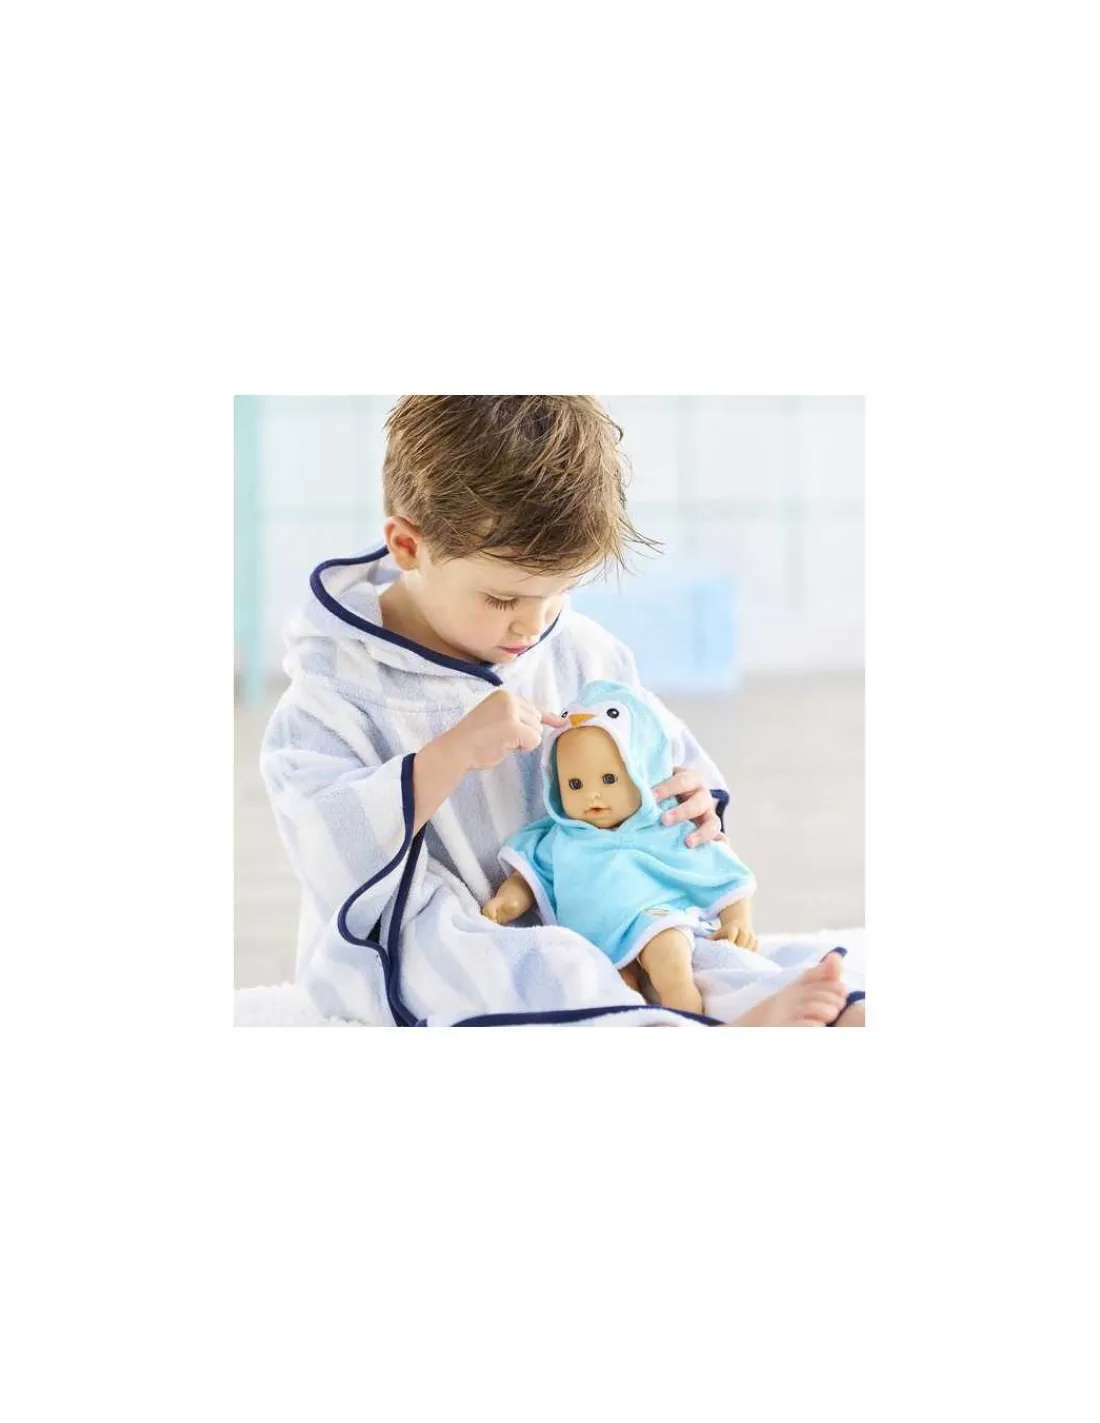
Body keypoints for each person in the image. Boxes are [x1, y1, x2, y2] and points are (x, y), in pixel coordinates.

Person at [260, 395, 866, 1027]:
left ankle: (769, 1006)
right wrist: (448, 755)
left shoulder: (579, 649)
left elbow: (656, 749)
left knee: (678, 941)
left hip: (597, 902)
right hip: (435, 933)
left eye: (560, 592)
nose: (532, 624)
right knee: (545, 970)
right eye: (503, 599)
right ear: (408, 545)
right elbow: (325, 841)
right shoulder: (335, 689)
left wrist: (688, 800)